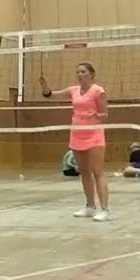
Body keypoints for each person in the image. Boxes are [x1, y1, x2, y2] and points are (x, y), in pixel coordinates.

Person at [41, 62, 110, 222]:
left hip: (93, 134)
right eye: (78, 72)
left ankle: (105, 210)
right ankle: (90, 207)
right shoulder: (73, 90)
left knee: (97, 172)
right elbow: (51, 95)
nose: (80, 75)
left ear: (91, 74)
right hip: (77, 134)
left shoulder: (98, 91)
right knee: (84, 171)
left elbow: (105, 115)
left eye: (83, 72)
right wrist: (45, 87)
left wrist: (94, 116)